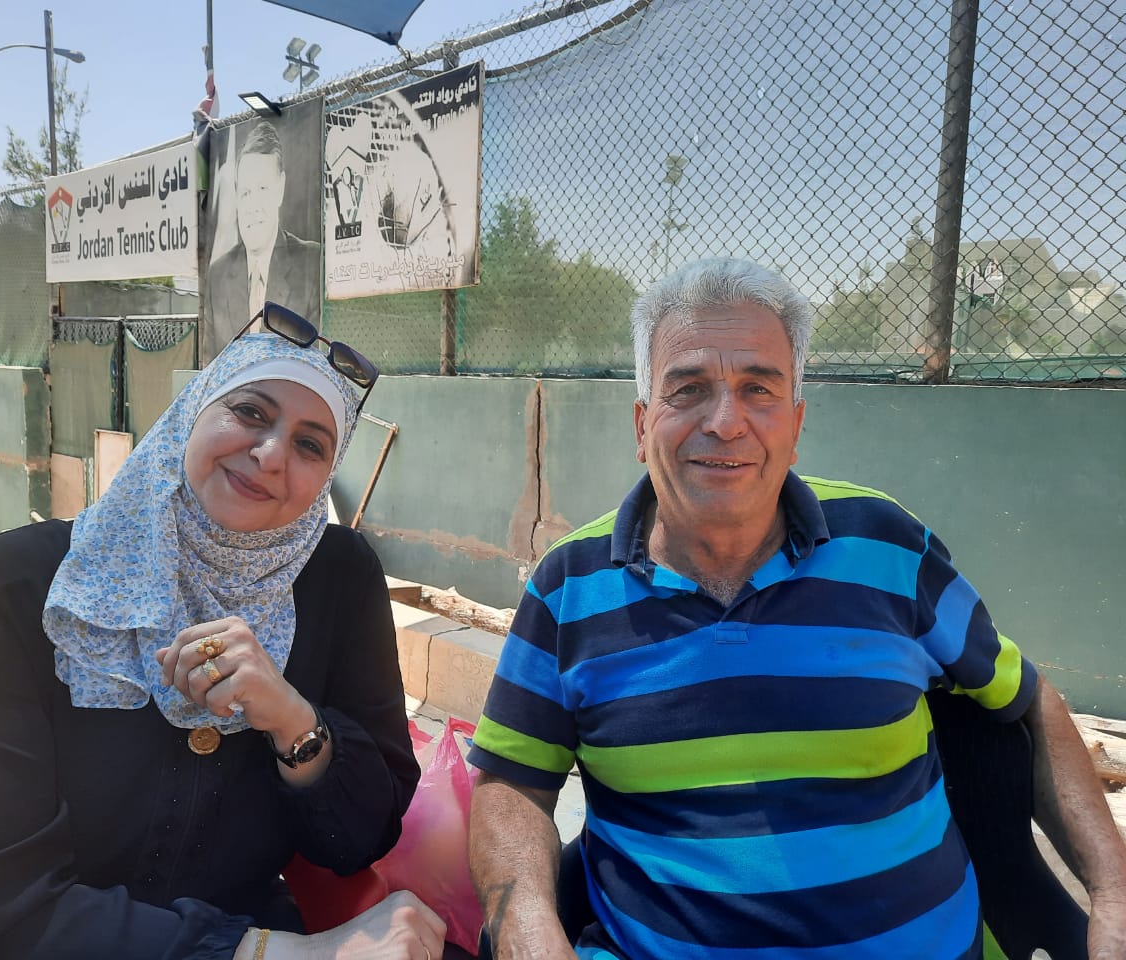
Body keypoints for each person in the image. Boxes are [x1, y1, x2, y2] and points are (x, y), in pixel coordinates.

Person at [467, 258, 1126, 959]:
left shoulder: (889, 547)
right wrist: (526, 926)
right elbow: (511, 780)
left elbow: (1027, 700)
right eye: (688, 389)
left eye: (759, 389)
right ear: (641, 423)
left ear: (796, 424)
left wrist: (1115, 893)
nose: (726, 422)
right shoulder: (568, 586)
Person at [0, 305, 446, 960]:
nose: (271, 454)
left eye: (310, 445)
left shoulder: (337, 582)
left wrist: (294, 721)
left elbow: (363, 839)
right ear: (191, 414)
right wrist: (279, 953)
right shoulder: (9, 587)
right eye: (250, 411)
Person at [204, 117, 321, 356]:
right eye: (246, 192)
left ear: (280, 188)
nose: (253, 207)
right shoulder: (218, 275)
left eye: (263, 189)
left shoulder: (312, 264)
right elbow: (211, 364)